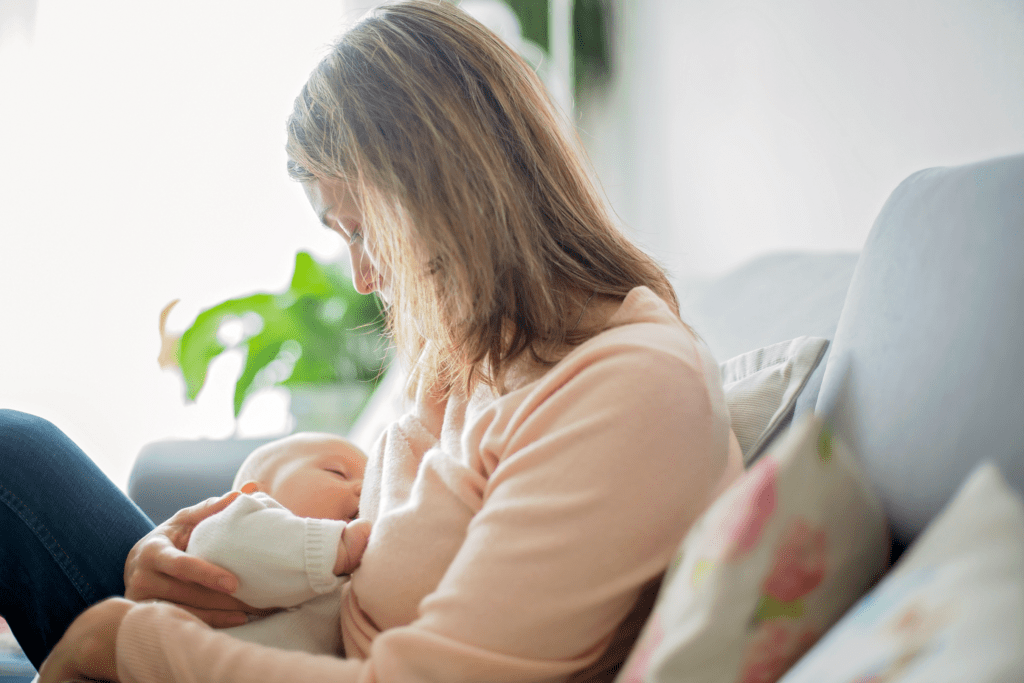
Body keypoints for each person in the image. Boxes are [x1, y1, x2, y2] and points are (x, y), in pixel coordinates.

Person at [0, 1, 744, 681]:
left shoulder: (629, 393)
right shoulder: (480, 350)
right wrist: (179, 552)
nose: (360, 276)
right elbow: (369, 556)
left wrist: (125, 640)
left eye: (364, 229)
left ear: (449, 191)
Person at [184, 434, 371, 656]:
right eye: (337, 472)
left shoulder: (351, 578)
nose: (364, 489)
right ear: (253, 493)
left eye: (372, 484)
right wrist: (338, 549)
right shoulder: (237, 521)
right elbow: (215, 544)